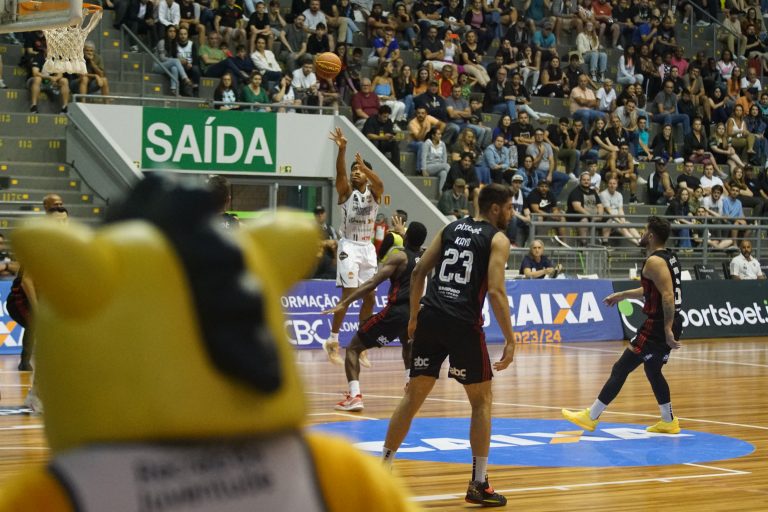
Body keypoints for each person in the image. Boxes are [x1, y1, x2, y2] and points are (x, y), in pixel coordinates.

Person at [381, 184, 516, 508]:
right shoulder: (498, 239)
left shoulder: (450, 228)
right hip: (463, 324)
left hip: (431, 315)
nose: (512, 213)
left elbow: (418, 273)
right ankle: (478, 483)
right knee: (482, 401)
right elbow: (496, 292)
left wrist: (414, 317)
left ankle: (382, 472)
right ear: (495, 209)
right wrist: (511, 339)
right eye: (510, 207)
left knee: (413, 396)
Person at [563, 216, 683, 435]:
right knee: (653, 369)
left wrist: (666, 329)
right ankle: (668, 421)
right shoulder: (669, 257)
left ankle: (591, 417)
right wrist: (622, 295)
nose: (641, 234)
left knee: (621, 368)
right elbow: (652, 290)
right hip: (670, 320)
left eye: (644, 230)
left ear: (651, 235)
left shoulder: (654, 261)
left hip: (658, 324)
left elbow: (667, 296)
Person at [322, 223, 428, 411]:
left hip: (396, 312)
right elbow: (416, 247)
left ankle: (355, 396)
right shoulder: (426, 256)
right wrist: (406, 234)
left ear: (406, 237)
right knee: (407, 344)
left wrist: (345, 302)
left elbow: (372, 283)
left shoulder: (399, 258)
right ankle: (410, 385)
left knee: (354, 348)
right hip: (417, 312)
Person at [321, 128, 383, 367]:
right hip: (349, 245)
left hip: (367, 248)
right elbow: (340, 173)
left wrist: (365, 167)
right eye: (354, 170)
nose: (355, 173)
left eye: (358, 170)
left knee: (370, 298)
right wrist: (343, 150)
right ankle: (333, 340)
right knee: (348, 294)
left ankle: (361, 344)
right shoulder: (346, 191)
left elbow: (380, 182)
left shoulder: (374, 193)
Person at [600, 176, 642, 246]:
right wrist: (620, 223)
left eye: (614, 183)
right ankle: (638, 244)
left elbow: (620, 210)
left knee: (629, 224)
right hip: (608, 220)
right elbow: (609, 211)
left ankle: (640, 241)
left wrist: (623, 221)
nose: (612, 185)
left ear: (617, 185)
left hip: (617, 220)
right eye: (610, 183)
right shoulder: (603, 194)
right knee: (624, 229)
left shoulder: (619, 195)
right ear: (608, 184)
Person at [567, 171, 604, 246]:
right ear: (580, 181)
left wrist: (600, 215)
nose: (586, 181)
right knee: (584, 220)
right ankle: (583, 243)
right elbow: (577, 207)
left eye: (588, 180)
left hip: (592, 215)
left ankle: (605, 242)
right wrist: (591, 216)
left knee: (609, 219)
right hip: (576, 216)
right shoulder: (576, 192)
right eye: (584, 180)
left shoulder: (593, 191)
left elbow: (600, 205)